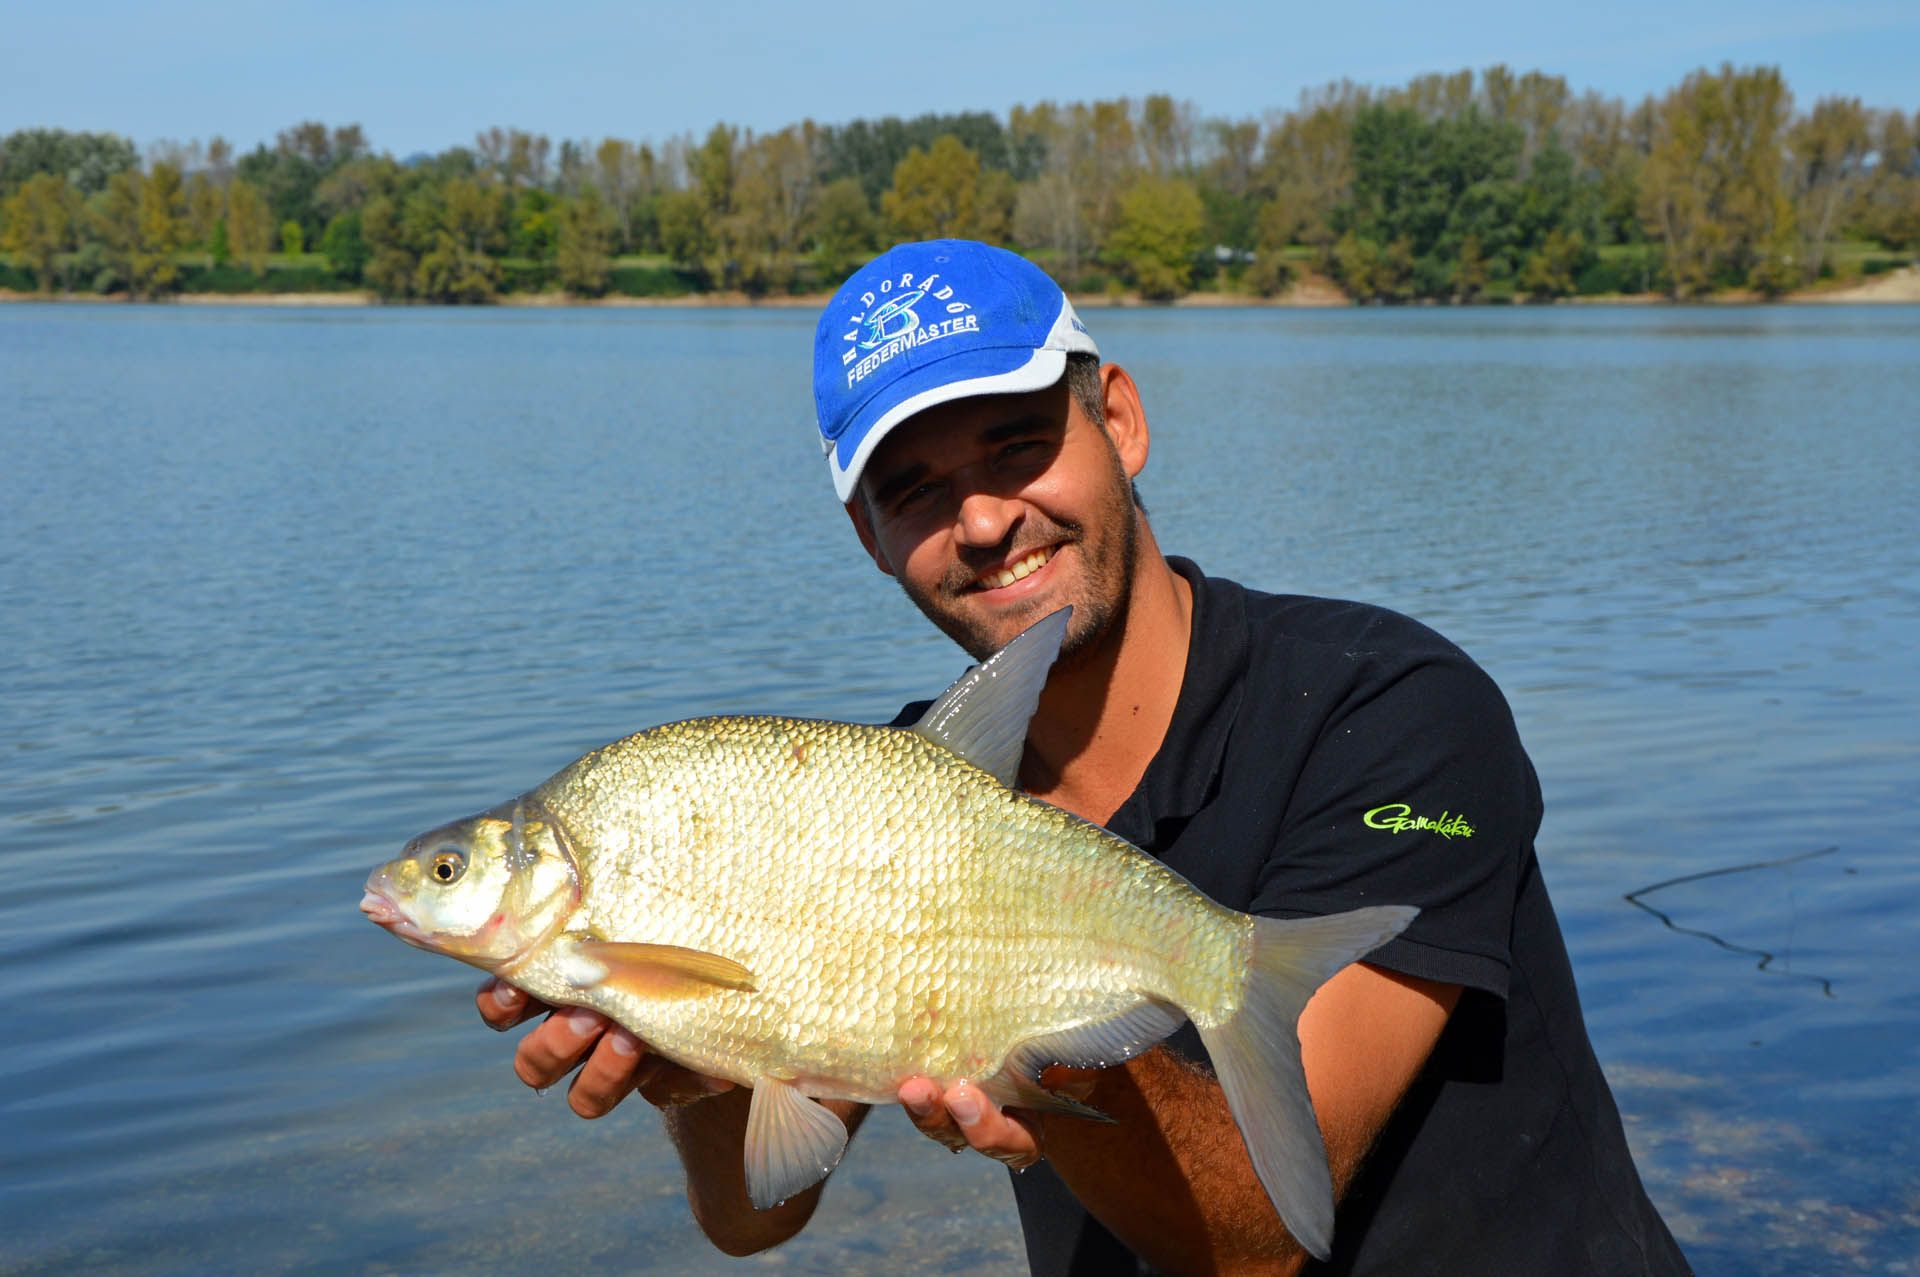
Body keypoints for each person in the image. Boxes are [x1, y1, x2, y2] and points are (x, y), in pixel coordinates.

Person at [475, 240, 1689, 1275]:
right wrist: (698, 1063)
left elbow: (1262, 1236)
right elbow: (754, 1217)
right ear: (869, 536)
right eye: (917, 490)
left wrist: (1039, 1051)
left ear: (1120, 418)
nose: (988, 519)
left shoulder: (1395, 709)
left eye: (1016, 444)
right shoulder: (892, 791)